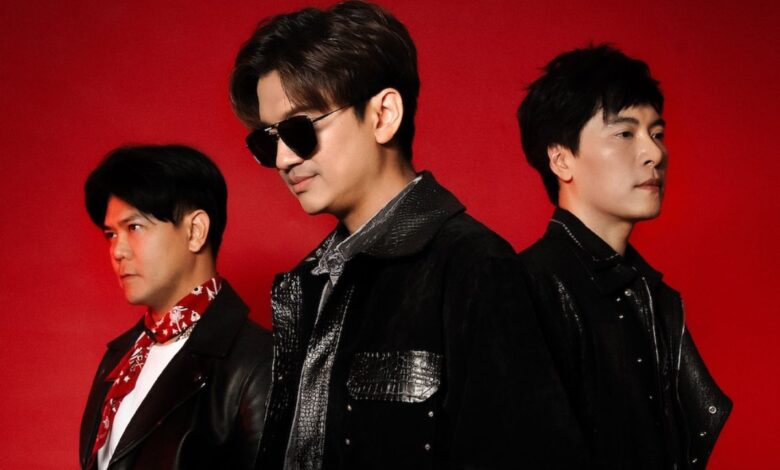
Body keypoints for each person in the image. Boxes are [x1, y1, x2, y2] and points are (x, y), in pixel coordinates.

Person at [229, 2, 584, 469]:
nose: (282, 159)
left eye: (299, 129)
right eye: (266, 140)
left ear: (384, 115)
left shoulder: (475, 266)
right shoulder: (307, 282)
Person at [516, 44, 732, 469]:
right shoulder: (525, 287)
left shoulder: (653, 295)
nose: (655, 153)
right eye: (625, 134)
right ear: (561, 159)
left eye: (657, 133)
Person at [79, 145, 272, 470]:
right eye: (111, 234)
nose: (117, 251)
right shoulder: (120, 359)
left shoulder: (257, 361)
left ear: (195, 231)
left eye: (134, 227)